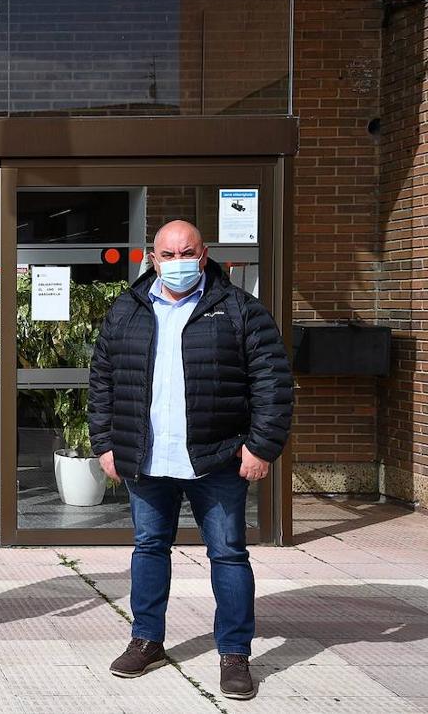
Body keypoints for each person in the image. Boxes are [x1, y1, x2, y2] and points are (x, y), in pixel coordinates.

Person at [88, 219, 293, 700]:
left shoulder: (240, 309)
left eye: (188, 253)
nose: (178, 262)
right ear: (152, 258)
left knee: (227, 555)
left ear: (203, 256)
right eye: (168, 254)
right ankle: (146, 640)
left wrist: (261, 446)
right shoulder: (127, 311)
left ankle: (235, 653)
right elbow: (102, 380)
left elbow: (272, 383)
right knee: (148, 550)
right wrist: (105, 443)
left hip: (217, 459)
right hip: (147, 459)